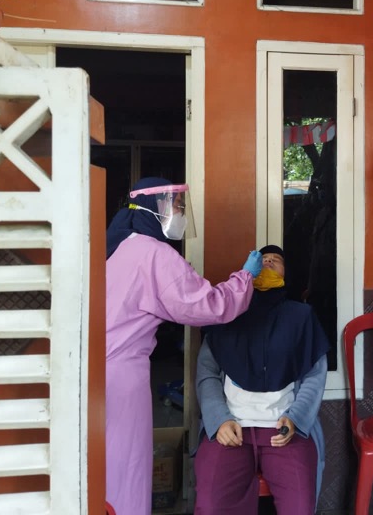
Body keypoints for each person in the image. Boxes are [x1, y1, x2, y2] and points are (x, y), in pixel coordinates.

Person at [105, 177, 264, 515]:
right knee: (126, 465)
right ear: (157, 207)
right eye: (176, 207)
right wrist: (244, 278)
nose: (180, 214)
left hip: (95, 372)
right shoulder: (154, 254)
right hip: (122, 378)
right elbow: (209, 306)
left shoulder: (119, 245)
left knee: (103, 464)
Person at [194, 244, 329, 515]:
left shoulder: (301, 317)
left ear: (285, 274)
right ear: (249, 271)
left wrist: (296, 419)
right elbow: (206, 372)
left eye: (275, 261)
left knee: (301, 507)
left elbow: (315, 375)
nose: (267, 264)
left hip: (284, 428)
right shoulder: (226, 316)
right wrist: (219, 419)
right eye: (262, 260)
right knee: (211, 506)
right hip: (231, 427)